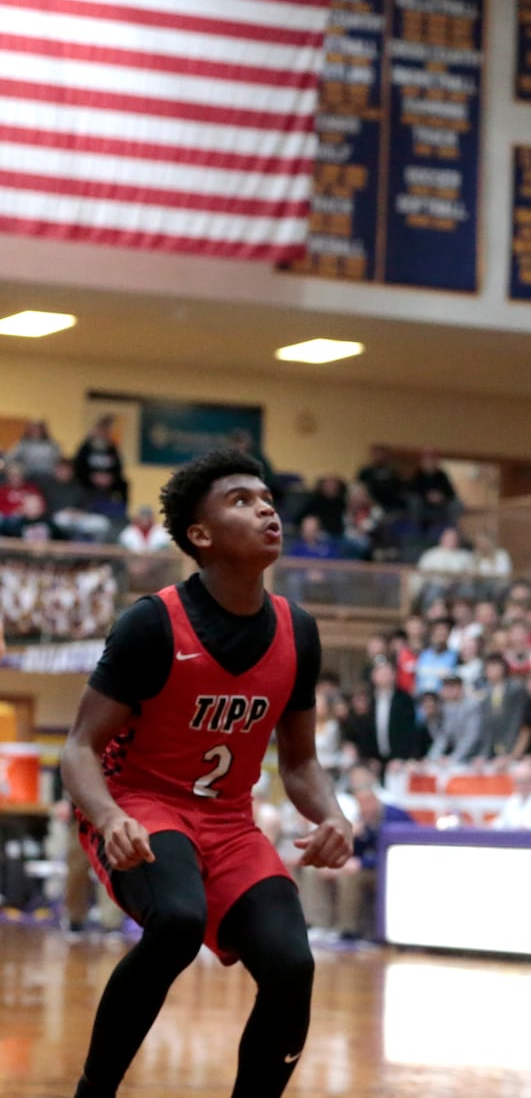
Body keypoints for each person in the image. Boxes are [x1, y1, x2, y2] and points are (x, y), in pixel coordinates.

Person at [57, 449, 352, 1098]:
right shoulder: (151, 624)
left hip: (229, 821)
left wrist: (330, 814)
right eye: (242, 500)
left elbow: (299, 761)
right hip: (142, 805)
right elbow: (79, 747)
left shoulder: (297, 632)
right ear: (201, 534)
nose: (266, 507)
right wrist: (109, 818)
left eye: (268, 497)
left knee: (291, 962)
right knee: (179, 922)